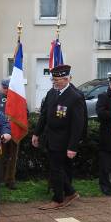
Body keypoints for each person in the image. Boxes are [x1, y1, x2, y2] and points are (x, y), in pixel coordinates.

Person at [32, 64, 86, 210]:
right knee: (57, 169)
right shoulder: (52, 93)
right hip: (51, 138)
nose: (54, 82)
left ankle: (59, 199)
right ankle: (69, 193)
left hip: (64, 140)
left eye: (58, 80)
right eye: (53, 79)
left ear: (67, 79)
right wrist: (36, 133)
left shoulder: (75, 97)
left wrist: (73, 146)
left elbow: (78, 125)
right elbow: (44, 115)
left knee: (57, 169)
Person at [0, 77, 24, 190]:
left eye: (8, 88)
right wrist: (4, 118)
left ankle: (10, 180)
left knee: (13, 157)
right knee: (0, 157)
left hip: (14, 132)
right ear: (1, 87)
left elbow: (24, 112)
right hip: (0, 131)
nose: (6, 90)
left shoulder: (17, 97)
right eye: (4, 88)